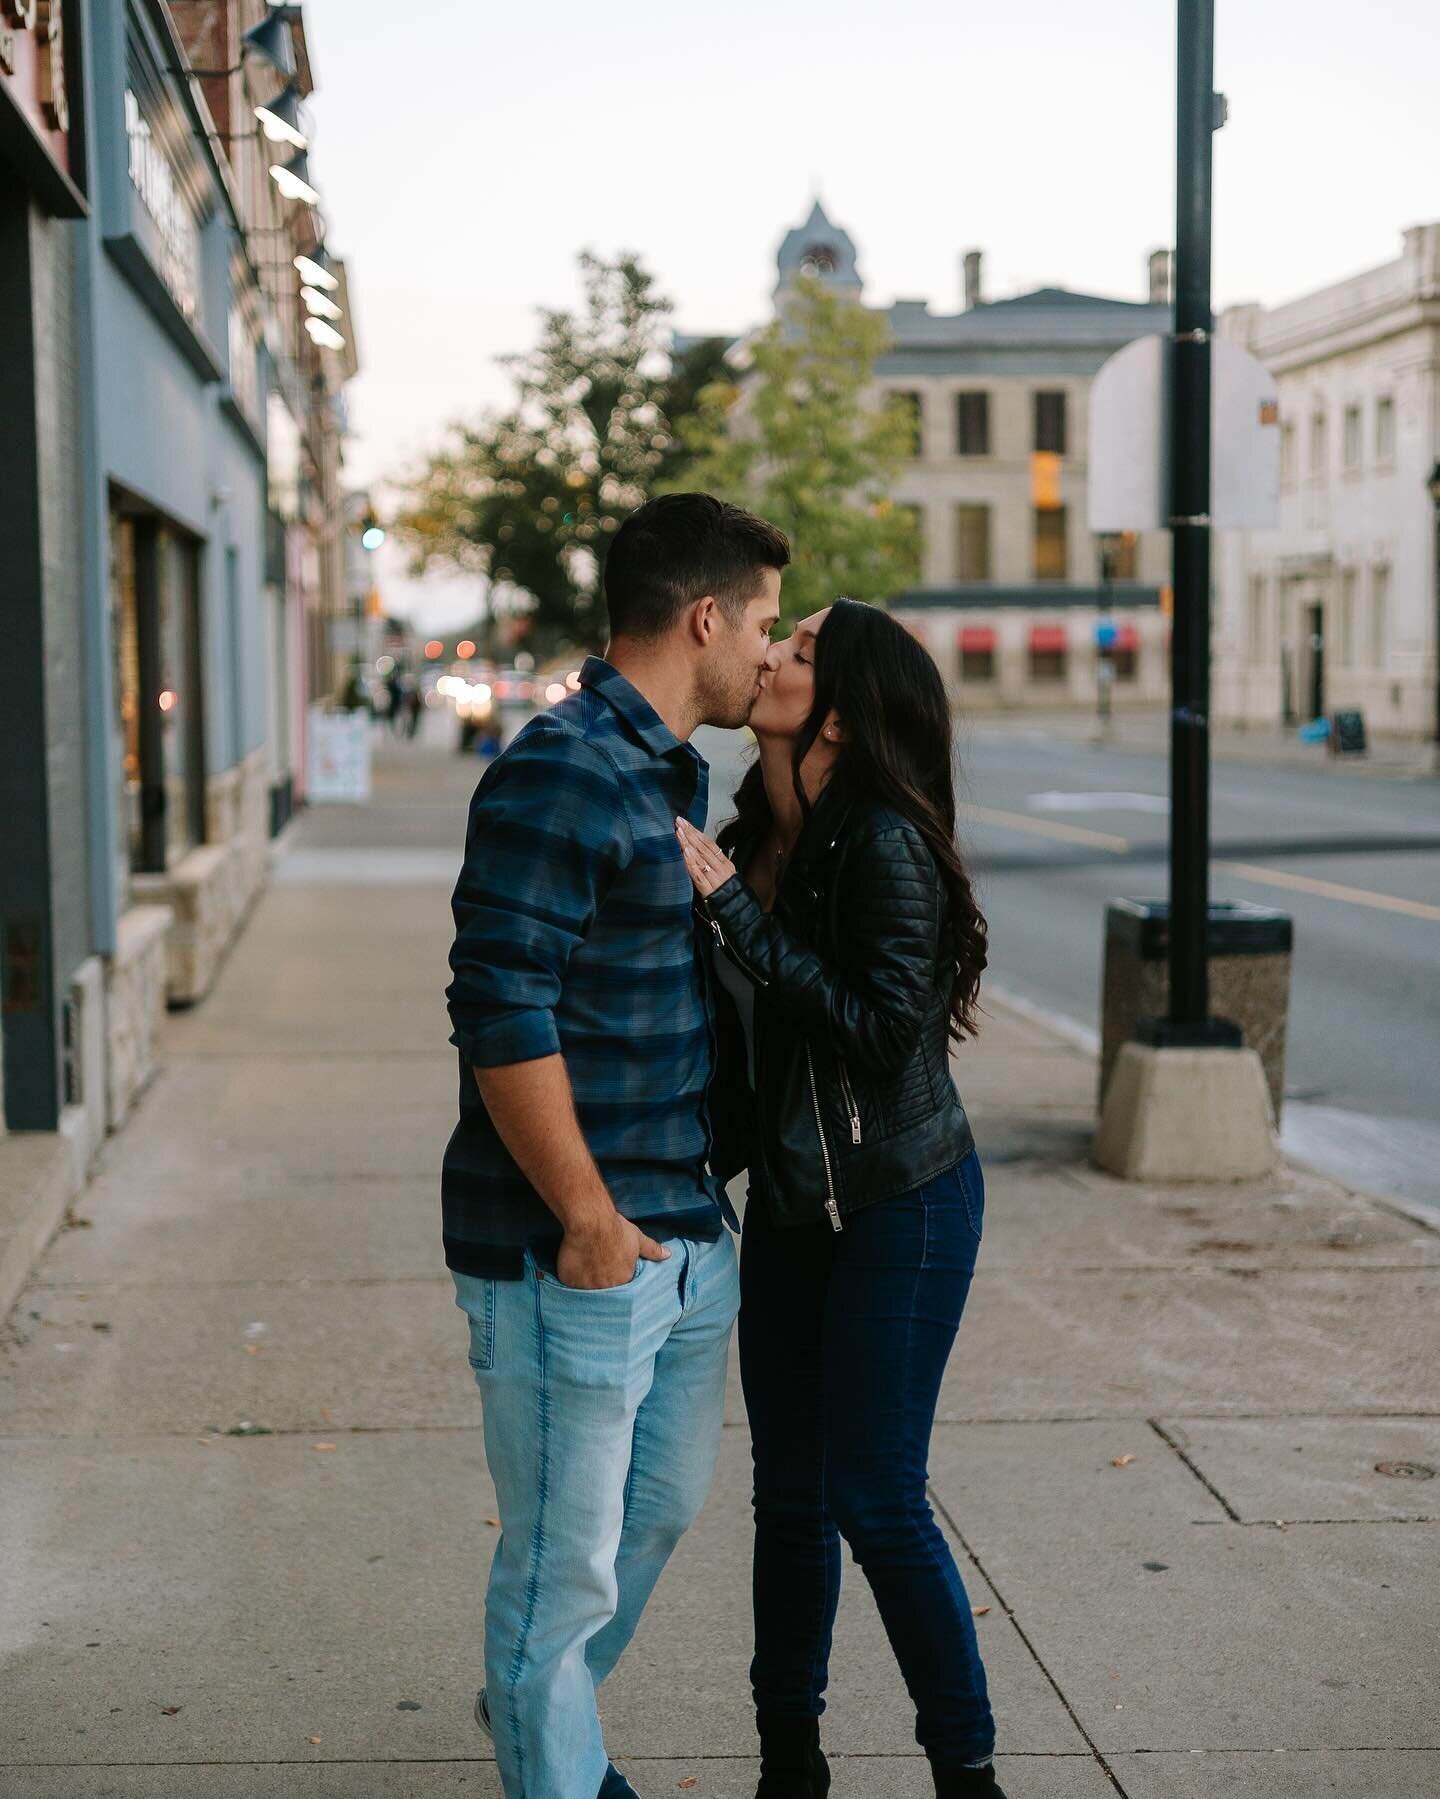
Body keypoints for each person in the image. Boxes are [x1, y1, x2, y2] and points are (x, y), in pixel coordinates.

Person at [444, 492, 788, 1799]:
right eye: (761, 623)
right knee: (561, 1561)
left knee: (651, 1516)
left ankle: (541, 1703)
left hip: (685, 1233)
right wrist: (586, 1215)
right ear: (704, 615)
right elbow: (500, 1001)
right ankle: (563, 1767)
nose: (769, 650)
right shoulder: (561, 767)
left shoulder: (664, 765)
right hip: (570, 1247)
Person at [675, 599, 1003, 1799]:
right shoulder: (756, 822)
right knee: (791, 1499)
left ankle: (965, 1768)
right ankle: (789, 1760)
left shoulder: (883, 843)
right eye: (781, 634)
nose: (771, 653)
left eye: (802, 648)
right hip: (793, 1207)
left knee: (874, 1490)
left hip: (899, 1202)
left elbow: (875, 1032)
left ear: (849, 711)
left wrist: (738, 917)